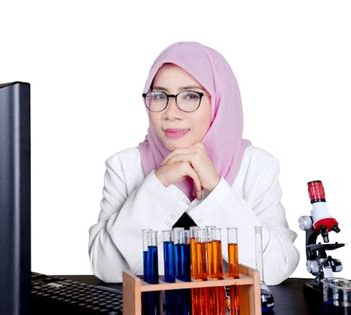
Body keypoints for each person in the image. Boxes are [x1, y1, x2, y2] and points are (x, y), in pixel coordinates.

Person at [88, 41, 299, 285]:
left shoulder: (256, 167)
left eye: (190, 96)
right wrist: (157, 185)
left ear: (219, 101)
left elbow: (276, 268)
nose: (171, 113)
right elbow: (105, 267)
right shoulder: (125, 166)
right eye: (159, 96)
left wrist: (217, 190)